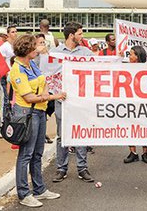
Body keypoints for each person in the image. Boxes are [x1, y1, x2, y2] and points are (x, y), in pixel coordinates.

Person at [10, 34, 64, 208]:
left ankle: (39, 189)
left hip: (39, 112)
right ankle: (24, 193)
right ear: (27, 49)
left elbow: (44, 81)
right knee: (26, 154)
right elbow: (29, 97)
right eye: (35, 46)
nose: (38, 49)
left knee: (37, 153)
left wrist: (45, 94)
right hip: (27, 113)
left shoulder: (31, 64)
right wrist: (53, 96)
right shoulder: (17, 69)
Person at [51, 22, 95, 183]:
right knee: (62, 135)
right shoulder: (54, 53)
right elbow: (47, 74)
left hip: (80, 101)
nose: (82, 37)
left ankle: (82, 168)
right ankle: (61, 168)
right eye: (80, 34)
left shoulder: (86, 53)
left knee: (80, 133)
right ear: (71, 35)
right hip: (62, 100)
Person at [123, 45, 147, 164]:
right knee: (130, 126)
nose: (129, 56)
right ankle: (132, 152)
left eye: (131, 54)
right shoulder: (126, 68)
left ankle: (145, 152)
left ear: (138, 56)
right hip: (130, 101)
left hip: (144, 102)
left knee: (145, 127)